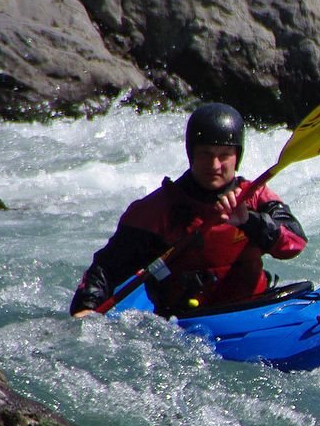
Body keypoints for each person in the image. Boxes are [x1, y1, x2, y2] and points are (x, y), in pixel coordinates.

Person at [70, 103, 306, 317]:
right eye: (205, 154)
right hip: (187, 326)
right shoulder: (156, 210)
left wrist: (250, 221)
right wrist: (87, 308)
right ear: (191, 153)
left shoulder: (255, 196)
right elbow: (106, 269)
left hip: (253, 312)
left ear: (237, 157)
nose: (214, 165)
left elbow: (294, 243)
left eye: (224, 155)